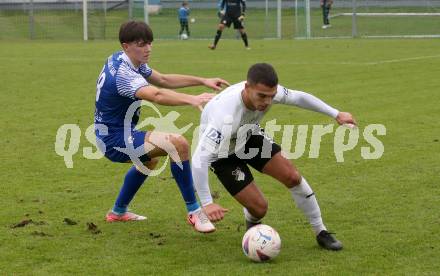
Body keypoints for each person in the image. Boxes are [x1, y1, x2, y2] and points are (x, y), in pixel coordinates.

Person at [192, 63, 357, 249]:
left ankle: (321, 231)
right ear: (247, 88)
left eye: (271, 96)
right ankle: (252, 222)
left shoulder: (270, 94)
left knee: (292, 176)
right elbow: (199, 159)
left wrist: (336, 114)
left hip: (248, 136)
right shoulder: (225, 115)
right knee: (259, 208)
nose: (267, 102)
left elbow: (299, 97)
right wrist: (207, 203)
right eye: (261, 96)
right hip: (222, 154)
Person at [94, 20, 229, 233]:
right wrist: (192, 100)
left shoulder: (124, 60)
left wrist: (202, 80)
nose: (147, 49)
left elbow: (163, 80)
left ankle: (118, 212)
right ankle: (194, 212)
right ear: (125, 45)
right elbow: (156, 94)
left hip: (117, 133)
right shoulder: (124, 74)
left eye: (149, 43)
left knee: (151, 159)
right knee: (178, 143)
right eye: (141, 44)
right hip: (113, 139)